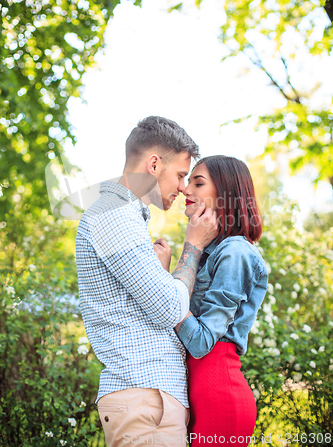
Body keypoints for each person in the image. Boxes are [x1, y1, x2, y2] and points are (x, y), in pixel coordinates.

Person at [75, 116, 218, 447]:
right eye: (182, 175)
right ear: (154, 164)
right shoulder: (114, 216)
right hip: (143, 399)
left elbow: (153, 305)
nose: (184, 187)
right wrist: (193, 245)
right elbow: (170, 308)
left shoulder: (127, 218)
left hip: (150, 400)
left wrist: (163, 277)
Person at [172, 155, 269, 446]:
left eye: (197, 183)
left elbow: (201, 343)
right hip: (198, 392)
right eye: (187, 181)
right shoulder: (206, 251)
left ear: (226, 193)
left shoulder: (235, 252)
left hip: (219, 391)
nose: (186, 190)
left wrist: (164, 296)